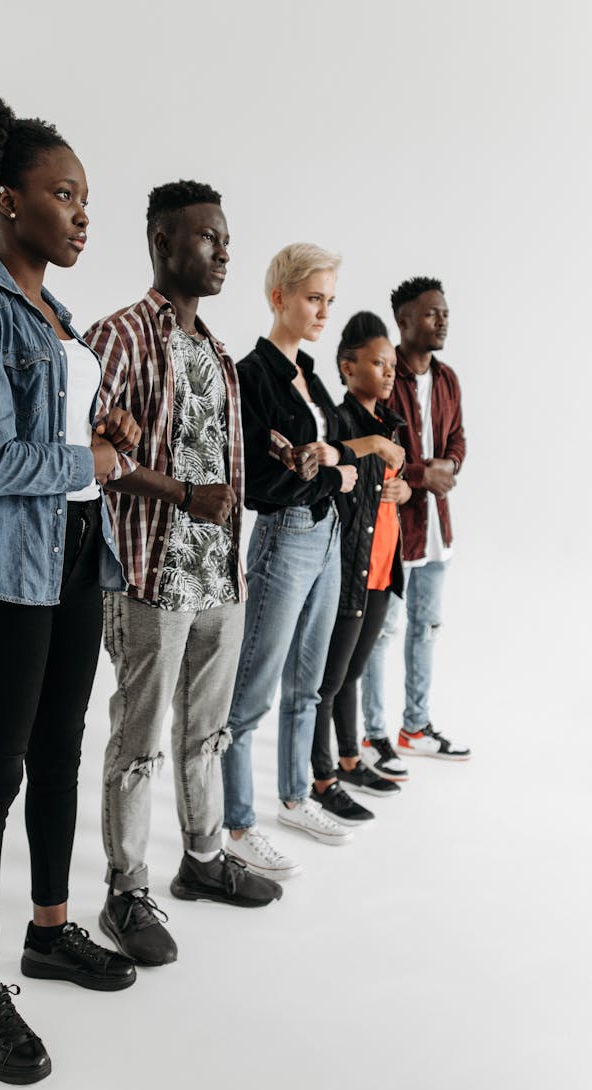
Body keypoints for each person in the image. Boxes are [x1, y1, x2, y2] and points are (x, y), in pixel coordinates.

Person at [0, 90, 148, 1084]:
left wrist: (107, 446)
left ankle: (49, 931)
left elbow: (67, 444)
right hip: (0, 565)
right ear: (10, 201)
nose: (82, 213)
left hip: (70, 550)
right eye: (64, 194)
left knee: (61, 744)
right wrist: (90, 462)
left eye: (88, 197)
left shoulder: (55, 312)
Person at [85, 181, 282, 970]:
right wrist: (182, 494)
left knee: (206, 732)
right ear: (164, 243)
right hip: (147, 574)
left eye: (227, 239)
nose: (224, 250)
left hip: (217, 578)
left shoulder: (220, 356)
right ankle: (125, 890)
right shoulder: (120, 335)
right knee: (136, 743)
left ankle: (202, 860)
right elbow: (92, 455)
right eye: (208, 238)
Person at [221, 243, 370, 881]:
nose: (322, 311)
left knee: (307, 682)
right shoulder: (252, 373)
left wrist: (332, 466)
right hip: (284, 538)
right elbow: (259, 481)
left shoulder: (310, 374)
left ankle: (294, 797)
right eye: (314, 298)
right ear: (278, 296)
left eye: (330, 300)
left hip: (327, 539)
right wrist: (334, 477)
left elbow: (334, 451)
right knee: (249, 692)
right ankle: (237, 826)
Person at [360, 278, 471, 763]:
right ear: (404, 321)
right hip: (393, 529)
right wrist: (429, 474)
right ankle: (372, 734)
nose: (442, 320)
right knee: (382, 633)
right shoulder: (386, 376)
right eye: (431, 314)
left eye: (444, 312)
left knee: (426, 628)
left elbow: (459, 439)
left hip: (436, 533)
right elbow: (376, 447)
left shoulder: (446, 379)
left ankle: (415, 726)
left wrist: (450, 468)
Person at [309, 312, 411, 822]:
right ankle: (322, 777)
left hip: (382, 571)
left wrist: (407, 487)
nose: (389, 372)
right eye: (378, 362)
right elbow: (327, 457)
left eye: (391, 363)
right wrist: (372, 447)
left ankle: (350, 758)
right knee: (328, 681)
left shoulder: (392, 424)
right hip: (348, 568)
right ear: (348, 368)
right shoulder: (340, 420)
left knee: (354, 673)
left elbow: (399, 486)